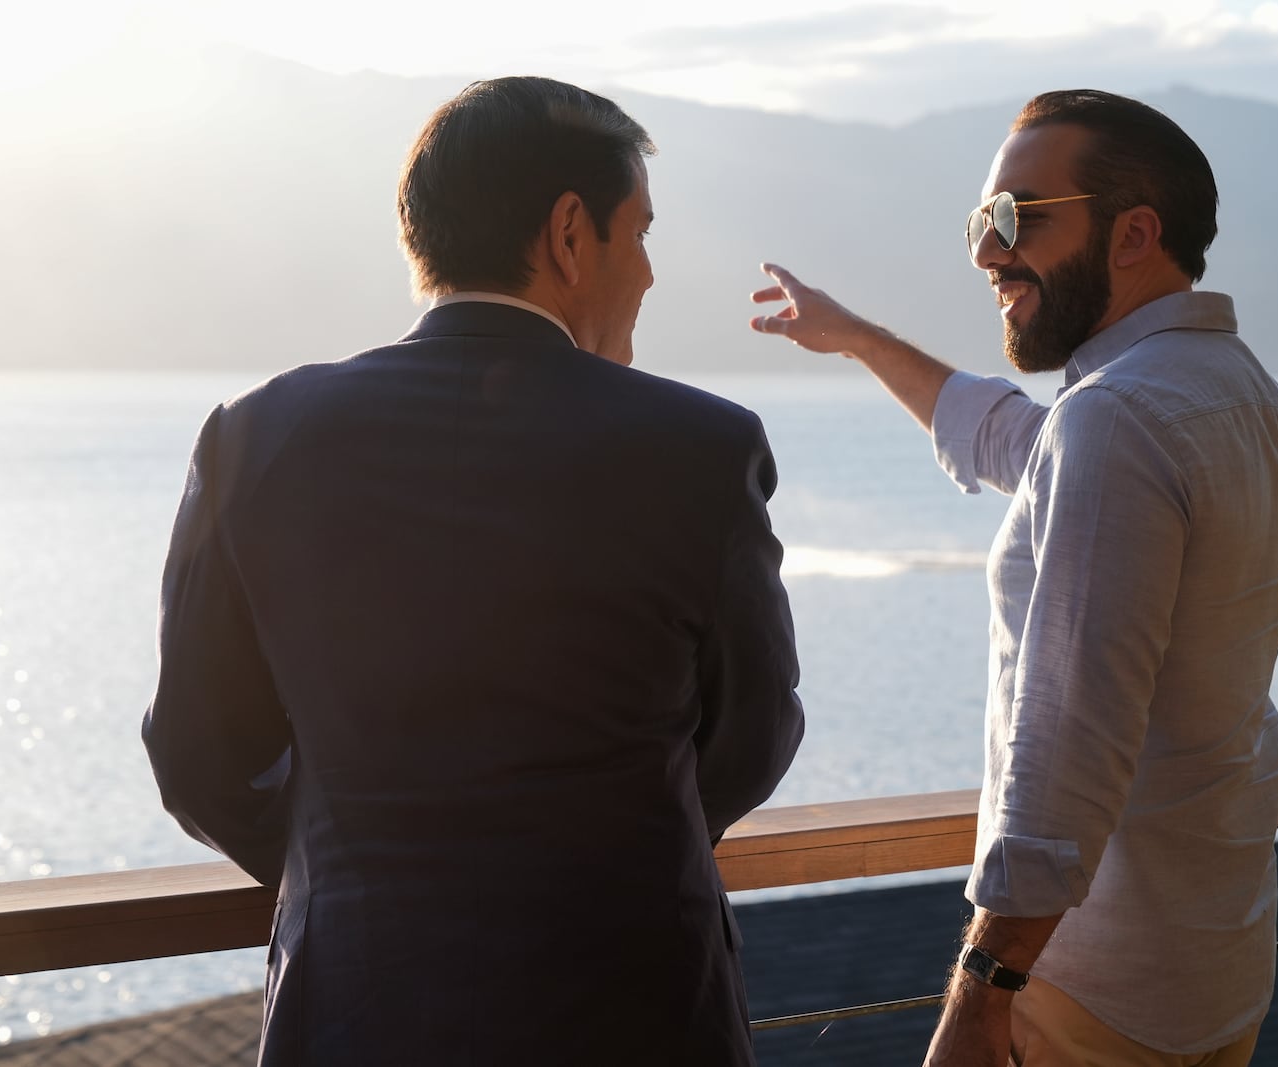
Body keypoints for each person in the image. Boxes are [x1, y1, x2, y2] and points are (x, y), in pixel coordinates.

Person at [142, 76, 804, 1067]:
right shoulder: (698, 447)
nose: (652, 274)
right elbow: (755, 728)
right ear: (570, 233)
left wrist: (358, 861)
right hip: (633, 1007)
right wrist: (608, 842)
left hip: (356, 1006)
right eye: (641, 233)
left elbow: (195, 748)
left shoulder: (257, 436)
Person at [750, 89, 1278, 1066]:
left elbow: (1067, 740)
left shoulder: (1118, 420)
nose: (984, 251)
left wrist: (979, 993)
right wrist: (858, 337)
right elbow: (1020, 440)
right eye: (980, 220)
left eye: (1014, 217)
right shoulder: (1250, 398)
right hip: (1215, 961)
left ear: (1135, 232)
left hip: (1093, 985)